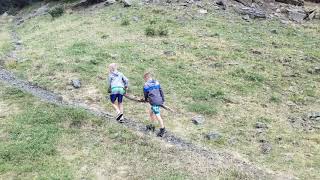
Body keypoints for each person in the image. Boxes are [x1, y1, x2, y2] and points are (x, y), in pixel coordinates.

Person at [143, 72, 166, 137]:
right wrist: (163, 99)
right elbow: (161, 91)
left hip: (154, 102)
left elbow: (145, 94)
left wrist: (145, 99)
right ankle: (152, 126)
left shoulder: (146, 85)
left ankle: (162, 129)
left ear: (146, 77)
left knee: (158, 115)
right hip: (159, 100)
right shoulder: (156, 82)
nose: (144, 80)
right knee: (151, 113)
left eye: (144, 78)